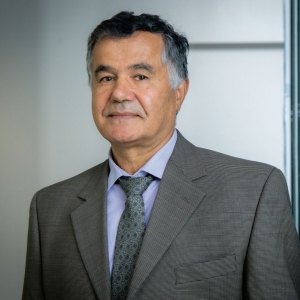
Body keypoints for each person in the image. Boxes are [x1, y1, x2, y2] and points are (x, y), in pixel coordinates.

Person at [22, 11, 300, 300]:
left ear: (179, 92)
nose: (119, 93)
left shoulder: (253, 192)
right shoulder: (49, 208)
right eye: (106, 77)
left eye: (140, 76)